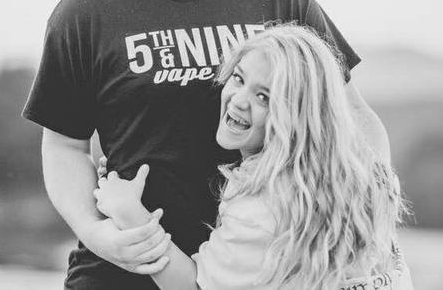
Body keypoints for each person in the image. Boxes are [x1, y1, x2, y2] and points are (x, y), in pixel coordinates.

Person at [22, 0, 391, 290]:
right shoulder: (86, 11)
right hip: (123, 269)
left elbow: (351, 117)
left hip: (263, 272)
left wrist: (371, 211)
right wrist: (96, 233)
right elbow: (64, 146)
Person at [94, 24, 413, 290]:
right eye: (238, 78)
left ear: (296, 114)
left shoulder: (261, 207)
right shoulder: (367, 176)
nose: (238, 100)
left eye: (263, 96)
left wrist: (129, 212)